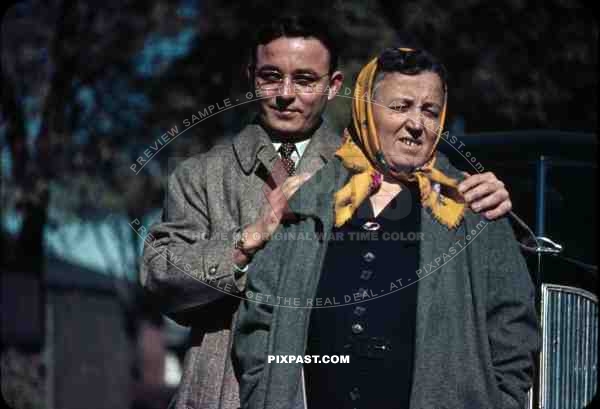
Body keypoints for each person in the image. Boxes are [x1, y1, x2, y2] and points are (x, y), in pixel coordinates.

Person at [141, 15, 515, 409]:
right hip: (219, 397)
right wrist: (251, 237)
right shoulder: (199, 175)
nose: (286, 93)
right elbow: (161, 278)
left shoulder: (368, 170)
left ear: (333, 85)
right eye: (271, 76)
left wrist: (480, 192)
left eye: (304, 80)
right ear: (251, 77)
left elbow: (422, 161)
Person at [233, 47, 540, 409]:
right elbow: (261, 313)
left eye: (429, 110)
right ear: (365, 111)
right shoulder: (313, 198)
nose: (416, 123)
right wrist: (265, 390)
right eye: (400, 107)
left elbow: (514, 328)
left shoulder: (472, 204)